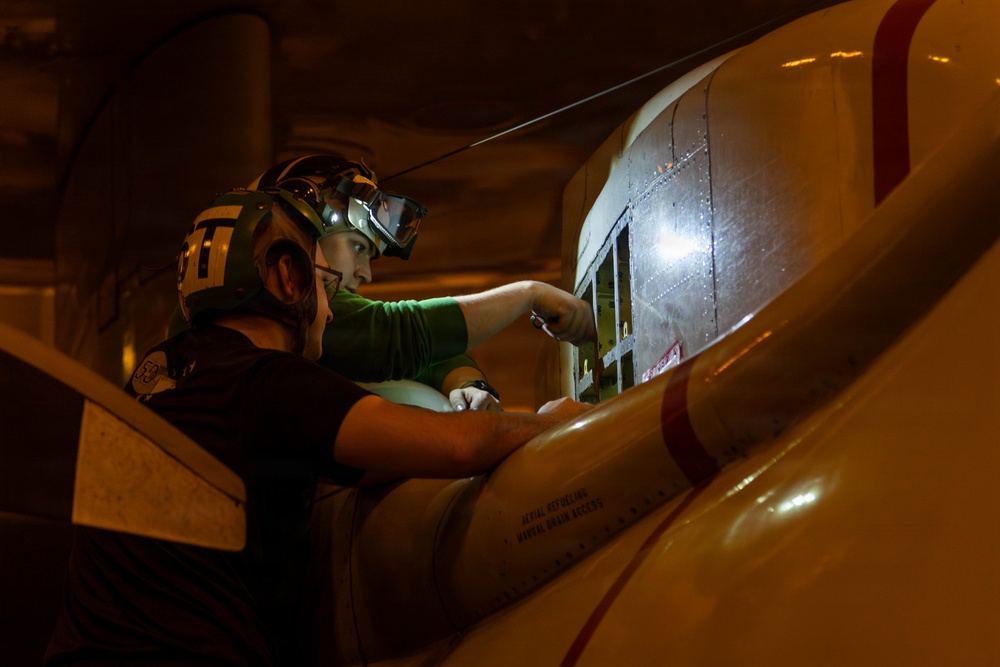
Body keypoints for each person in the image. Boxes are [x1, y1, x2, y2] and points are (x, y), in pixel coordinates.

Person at [45, 187, 588, 666]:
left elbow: (333, 459)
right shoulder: (269, 383)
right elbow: (459, 444)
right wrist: (553, 424)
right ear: (289, 277)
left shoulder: (156, 375)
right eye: (327, 288)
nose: (330, 310)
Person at [247, 154, 596, 412]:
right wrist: (528, 294)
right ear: (303, 230)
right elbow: (397, 336)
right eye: (357, 246)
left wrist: (467, 386)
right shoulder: (290, 310)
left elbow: (430, 356)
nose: (365, 273)